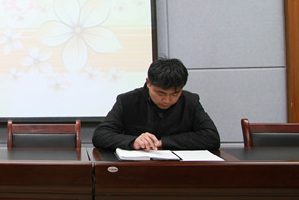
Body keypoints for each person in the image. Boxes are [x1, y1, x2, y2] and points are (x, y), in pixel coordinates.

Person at [92, 57, 220, 151]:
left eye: (175, 94)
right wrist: (133, 141)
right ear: (148, 83)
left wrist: (164, 142)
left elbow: (211, 137)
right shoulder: (127, 101)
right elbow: (101, 135)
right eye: (161, 93)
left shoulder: (190, 101)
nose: (167, 100)